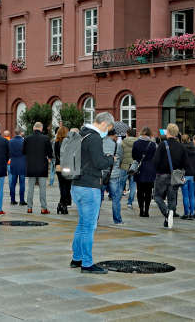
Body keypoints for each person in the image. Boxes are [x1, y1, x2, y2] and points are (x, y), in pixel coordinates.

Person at [70, 112, 114, 273]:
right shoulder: (94, 138)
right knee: (89, 226)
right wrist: (110, 159)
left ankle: (77, 258)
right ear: (104, 124)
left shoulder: (81, 134)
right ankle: (87, 264)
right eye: (108, 129)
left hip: (77, 185)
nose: (107, 132)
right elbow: (99, 163)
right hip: (90, 186)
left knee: (82, 224)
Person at [152, 123, 184, 228]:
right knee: (172, 197)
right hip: (175, 176)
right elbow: (185, 162)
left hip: (162, 174)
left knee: (157, 196)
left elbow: (156, 161)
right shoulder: (180, 146)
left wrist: (156, 169)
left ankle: (166, 213)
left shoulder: (163, 144)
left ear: (168, 132)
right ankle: (169, 215)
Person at [24, 122, 52, 214]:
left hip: (31, 166)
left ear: (33, 128)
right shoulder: (46, 138)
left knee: (30, 188)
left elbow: (23, 151)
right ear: (41, 128)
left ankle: (29, 208)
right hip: (42, 166)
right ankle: (43, 208)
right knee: (42, 189)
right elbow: (50, 153)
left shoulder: (27, 138)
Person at [131, 127, 157, 217]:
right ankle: (147, 211)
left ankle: (141, 210)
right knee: (149, 191)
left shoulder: (136, 143)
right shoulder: (153, 144)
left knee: (140, 191)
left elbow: (133, 156)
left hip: (140, 168)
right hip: (150, 169)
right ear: (150, 134)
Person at [105, 124, 126, 225]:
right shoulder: (117, 146)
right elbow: (121, 158)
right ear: (112, 135)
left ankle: (94, 220)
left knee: (98, 199)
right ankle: (117, 220)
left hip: (102, 173)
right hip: (114, 174)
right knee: (116, 198)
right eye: (116, 135)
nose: (117, 137)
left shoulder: (100, 144)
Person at [53, 125, 72, 214]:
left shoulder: (56, 142)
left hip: (58, 166)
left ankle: (61, 205)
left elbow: (55, 154)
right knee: (67, 186)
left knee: (63, 186)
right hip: (67, 166)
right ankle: (63, 205)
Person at [8, 128, 27, 206]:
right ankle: (21, 200)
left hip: (13, 163)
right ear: (21, 133)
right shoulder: (24, 141)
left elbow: (8, 153)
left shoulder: (10, 141)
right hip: (22, 163)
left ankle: (12, 200)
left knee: (13, 183)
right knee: (22, 183)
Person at [120, 128, 137, 210]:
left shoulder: (123, 142)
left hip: (124, 166)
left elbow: (120, 154)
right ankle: (130, 203)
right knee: (133, 185)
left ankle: (118, 200)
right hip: (134, 166)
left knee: (121, 184)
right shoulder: (137, 142)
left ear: (127, 133)